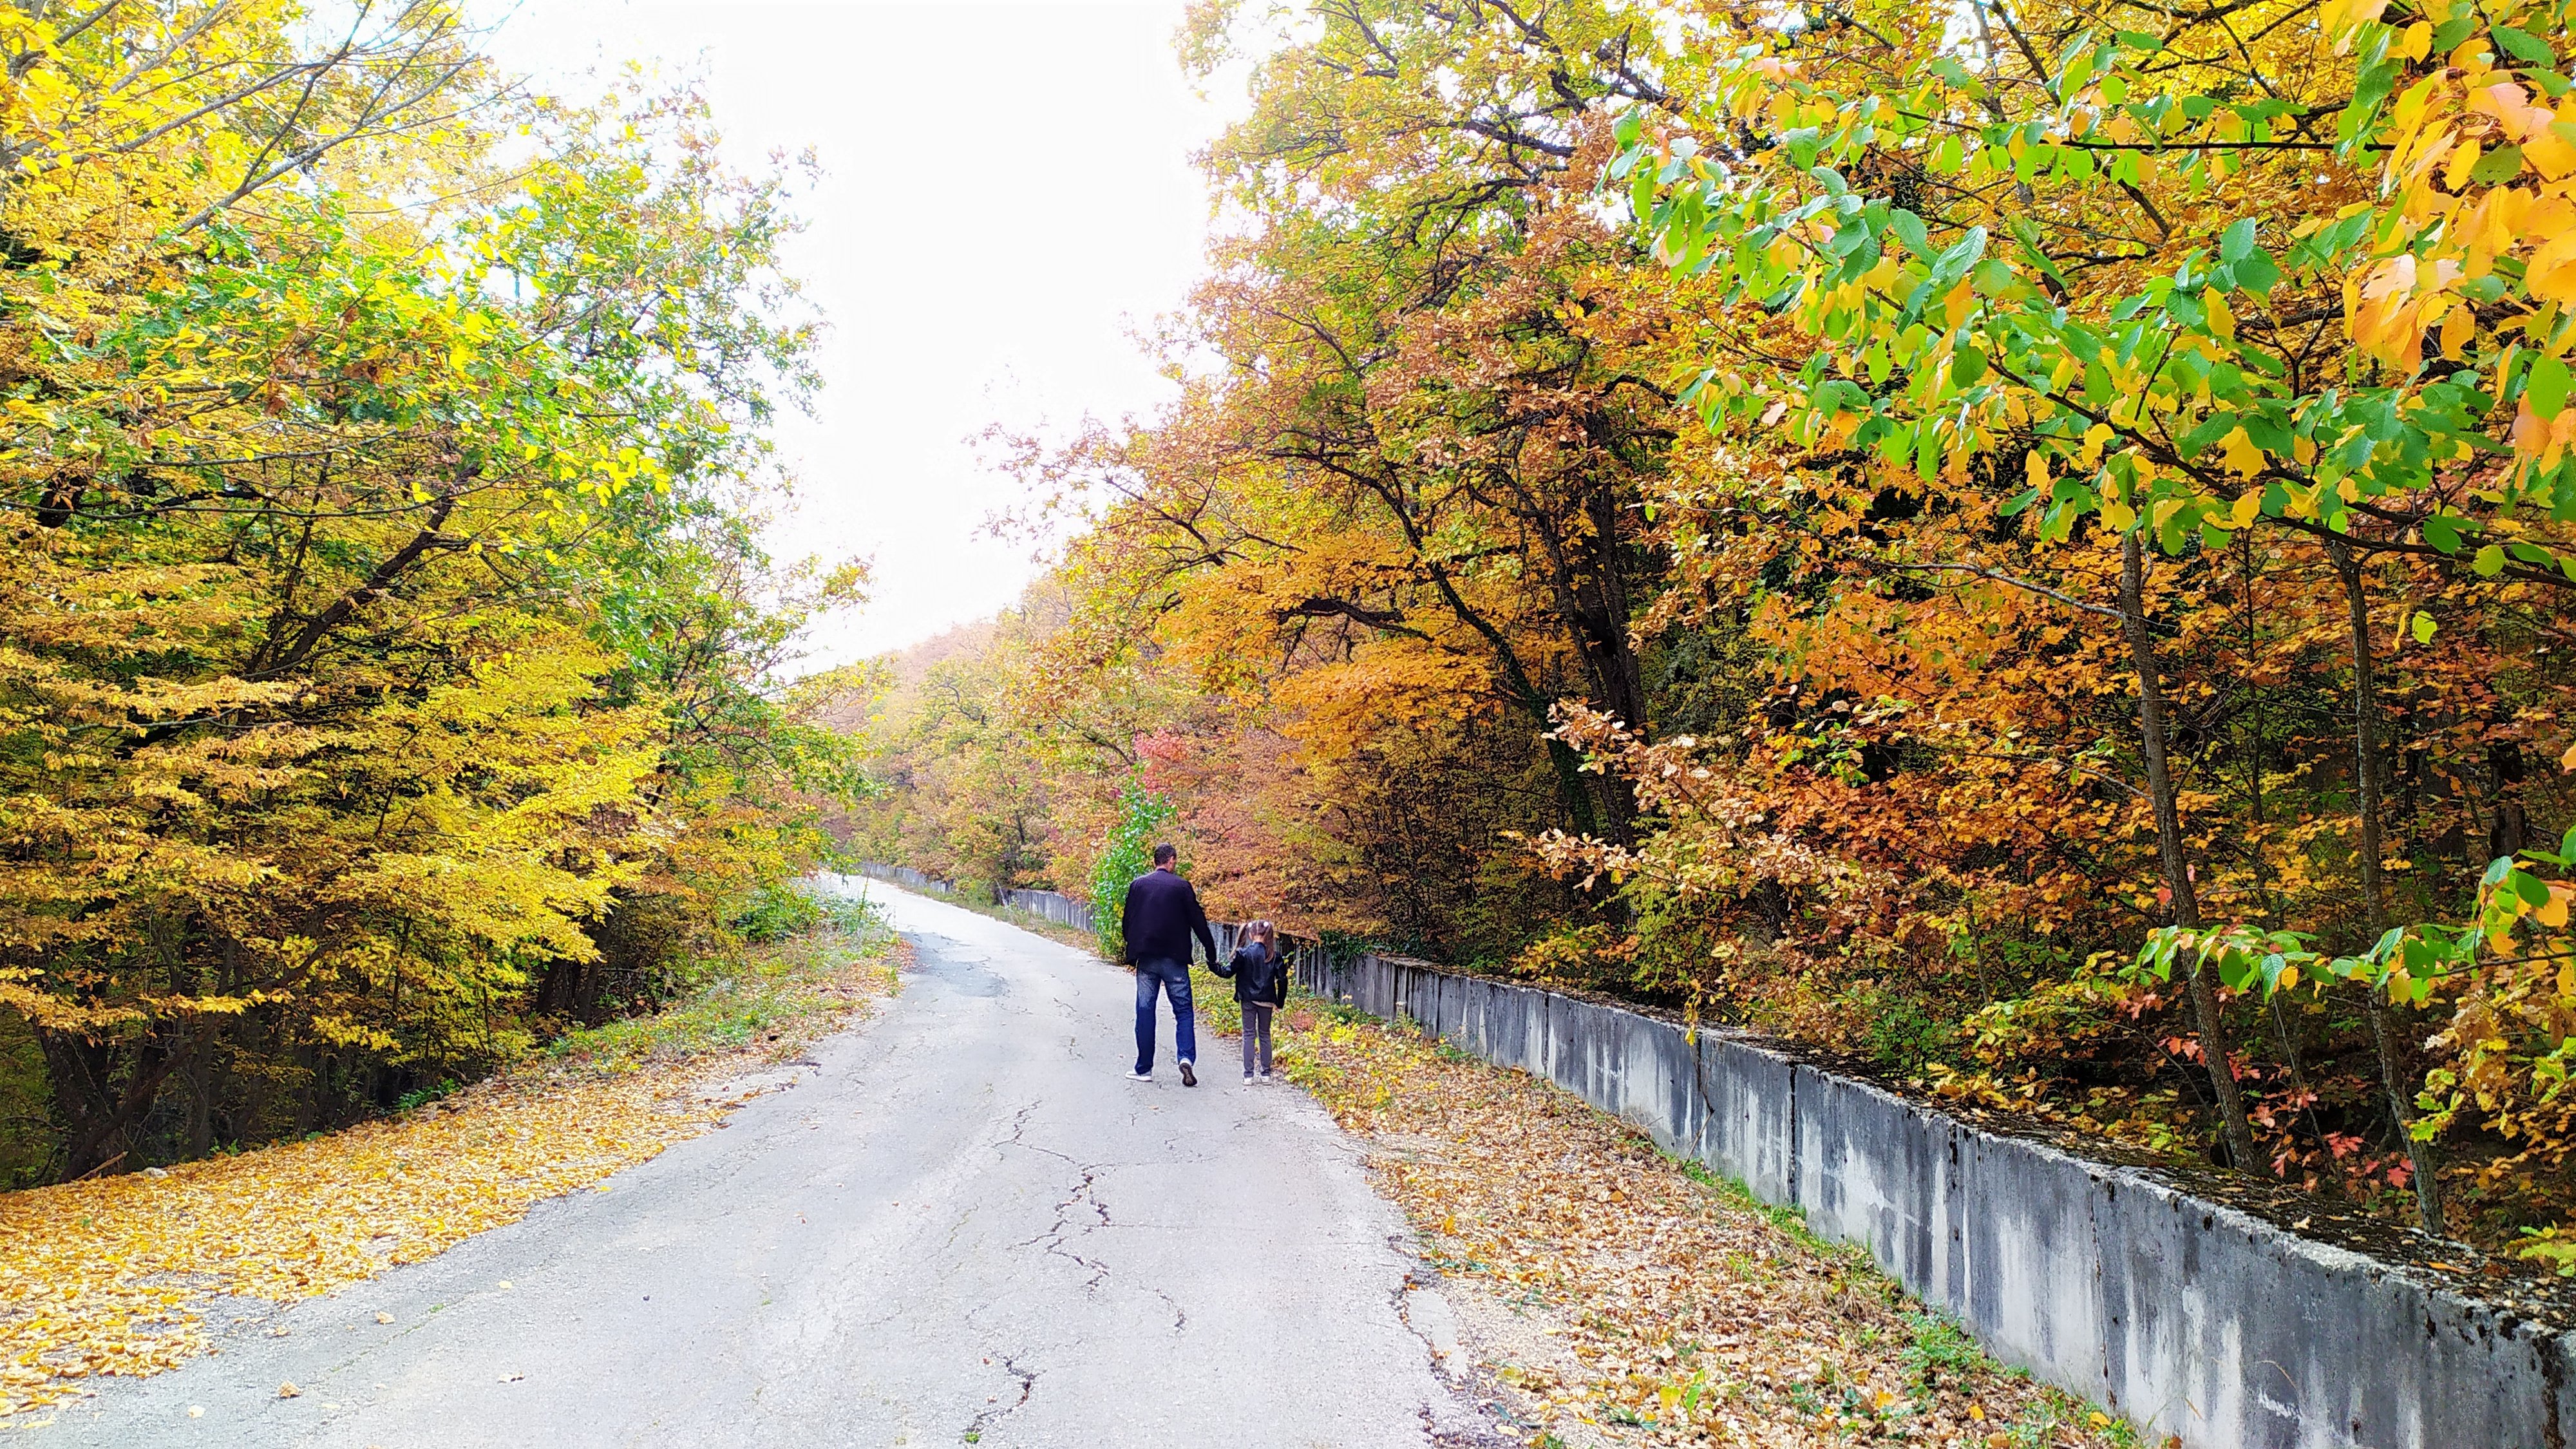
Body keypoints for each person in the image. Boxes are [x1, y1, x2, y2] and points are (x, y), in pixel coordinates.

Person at [1120, 843, 1216, 1086]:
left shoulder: (1138, 885)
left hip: (1147, 958)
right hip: (1175, 959)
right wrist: (1210, 951)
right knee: (1183, 1011)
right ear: (1171, 860)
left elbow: (1127, 921)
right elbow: (1198, 921)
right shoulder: (1182, 887)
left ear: (1155, 861)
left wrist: (1132, 944)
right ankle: (1186, 1059)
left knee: (1145, 1011)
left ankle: (1144, 1069)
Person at [1213, 920, 1288, 1083]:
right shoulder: (1275, 956)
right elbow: (1282, 980)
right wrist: (1280, 1002)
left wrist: (1214, 966)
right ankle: (1266, 1074)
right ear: (1268, 935)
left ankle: (1248, 1075)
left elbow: (1227, 973)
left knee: (1248, 1034)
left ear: (1251, 934)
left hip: (1247, 999)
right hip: (1267, 1001)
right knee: (1265, 1034)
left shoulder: (1243, 954)